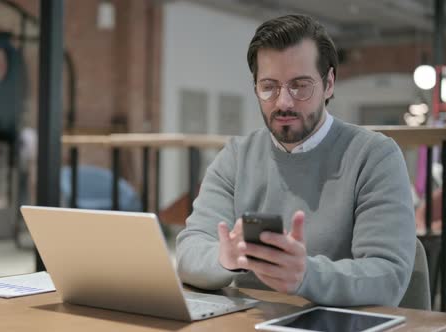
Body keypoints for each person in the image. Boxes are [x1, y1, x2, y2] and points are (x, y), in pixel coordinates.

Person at [175, 14, 415, 307]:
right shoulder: (236, 157)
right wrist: (226, 258)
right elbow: (189, 252)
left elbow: (388, 275)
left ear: (328, 84)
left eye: (300, 86)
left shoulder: (374, 156)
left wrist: (306, 274)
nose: (283, 102)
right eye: (269, 86)